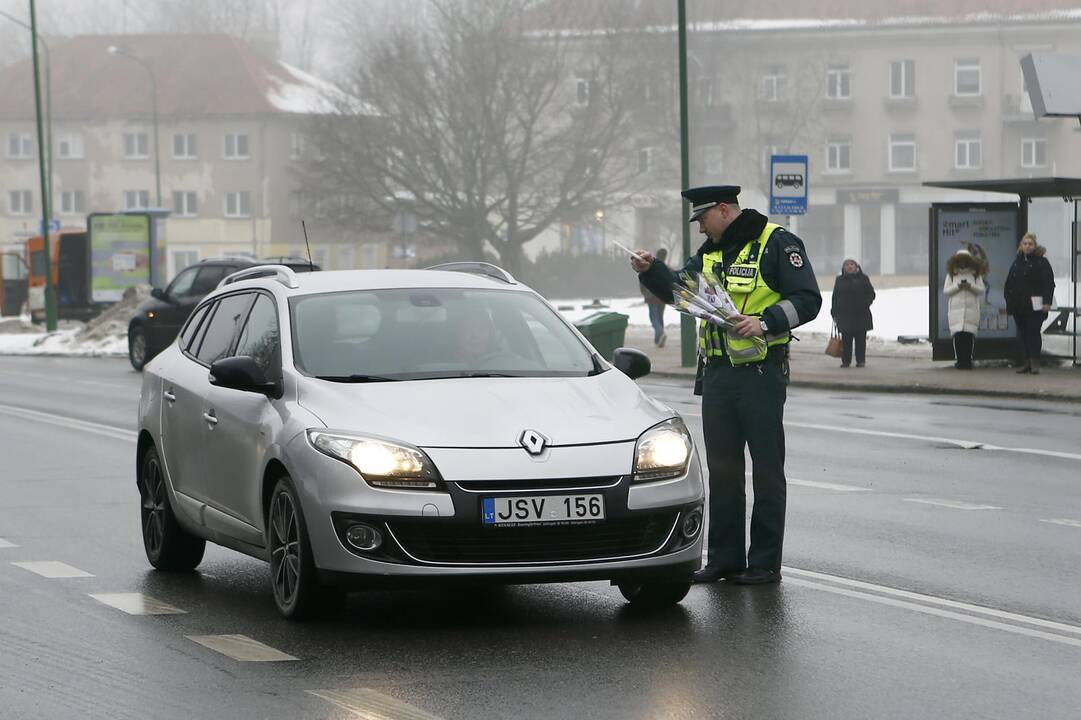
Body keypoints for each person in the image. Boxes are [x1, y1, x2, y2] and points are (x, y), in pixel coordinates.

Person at [631, 185, 821, 585]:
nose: (700, 230)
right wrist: (652, 271)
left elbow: (808, 298)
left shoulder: (776, 242)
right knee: (723, 471)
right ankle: (725, 559)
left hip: (761, 374)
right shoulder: (712, 252)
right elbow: (682, 291)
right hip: (718, 375)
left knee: (767, 471)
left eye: (702, 220)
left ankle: (765, 563)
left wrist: (766, 321)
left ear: (723, 210)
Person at [1003, 232, 1055, 374]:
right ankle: (1026, 362)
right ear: (1021, 246)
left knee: (1033, 333)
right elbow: (1009, 284)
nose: (1027, 246)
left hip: (1036, 306)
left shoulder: (1041, 262)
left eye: (1030, 244)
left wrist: (1047, 302)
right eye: (1025, 244)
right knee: (1023, 334)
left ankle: (1034, 362)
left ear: (1035, 246)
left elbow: (1049, 283)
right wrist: (1009, 303)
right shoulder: (1017, 262)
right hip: (1019, 306)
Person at [943, 248, 986, 370]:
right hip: (956, 310)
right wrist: (958, 286)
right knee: (958, 337)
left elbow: (981, 289)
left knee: (968, 336)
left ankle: (967, 360)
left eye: (965, 261)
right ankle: (960, 360)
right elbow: (946, 291)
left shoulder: (975, 274)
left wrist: (970, 286)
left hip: (971, 309)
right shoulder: (952, 275)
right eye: (960, 261)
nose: (962, 263)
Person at [830, 258, 875, 368]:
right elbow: (835, 296)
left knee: (860, 340)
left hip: (861, 314)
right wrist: (834, 311)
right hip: (845, 315)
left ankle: (861, 360)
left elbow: (871, 294)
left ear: (856, 266)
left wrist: (866, 303)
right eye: (847, 265)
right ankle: (846, 361)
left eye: (852, 264)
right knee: (846, 340)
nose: (849, 266)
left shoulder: (863, 278)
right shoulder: (839, 279)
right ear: (843, 268)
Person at [640, 247, 670, 347]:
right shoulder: (665, 267)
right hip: (662, 298)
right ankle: (658, 340)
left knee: (654, 318)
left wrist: (645, 293)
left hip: (652, 297)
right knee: (660, 317)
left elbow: (643, 281)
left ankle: (660, 334)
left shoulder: (651, 266)